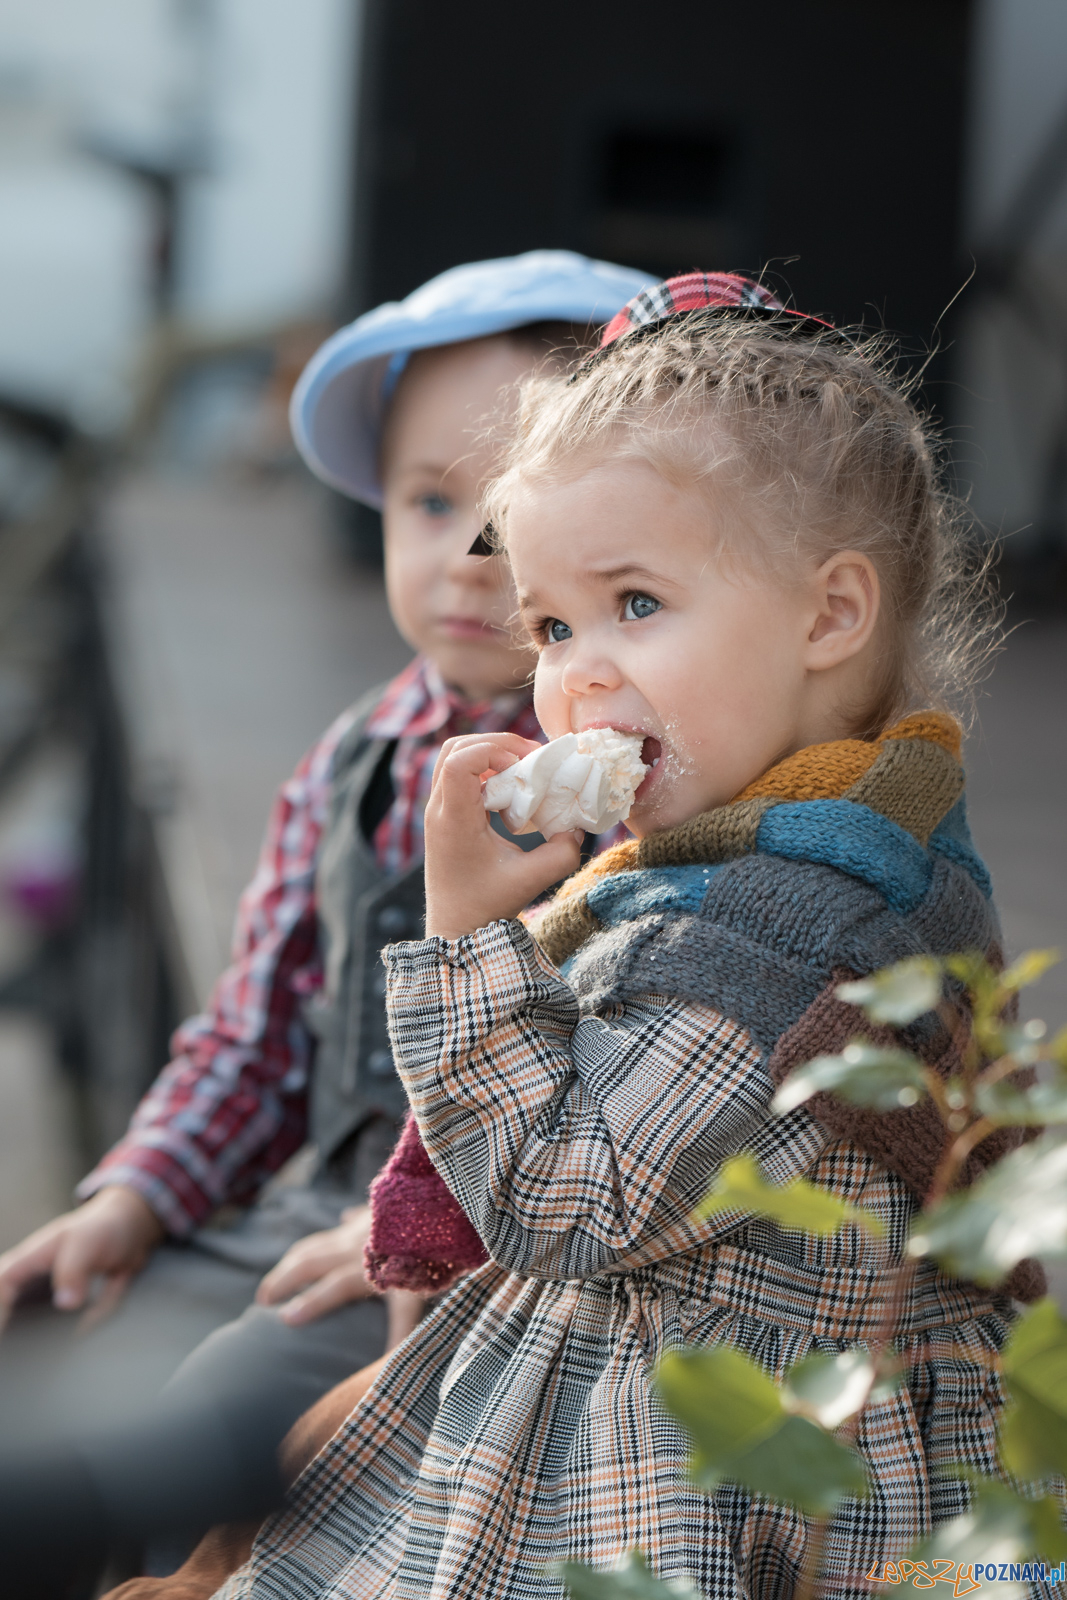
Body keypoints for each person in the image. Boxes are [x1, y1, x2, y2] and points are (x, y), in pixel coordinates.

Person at [206, 272, 1047, 1600]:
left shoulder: (782, 929)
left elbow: (561, 1202)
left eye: (636, 605)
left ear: (830, 615)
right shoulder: (857, 822)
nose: (574, 673)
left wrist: (469, 935)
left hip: (689, 1481)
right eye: (551, 623)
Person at [0, 251, 653, 1569]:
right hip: (294, 1207)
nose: (469, 564)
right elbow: (252, 1037)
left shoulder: (625, 786)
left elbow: (612, 1097)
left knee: (169, 1451)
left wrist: (414, 1228)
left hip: (467, 1255)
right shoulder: (355, 755)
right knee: (40, 1343)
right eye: (428, 502)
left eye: (512, 516)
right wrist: (137, 1194)